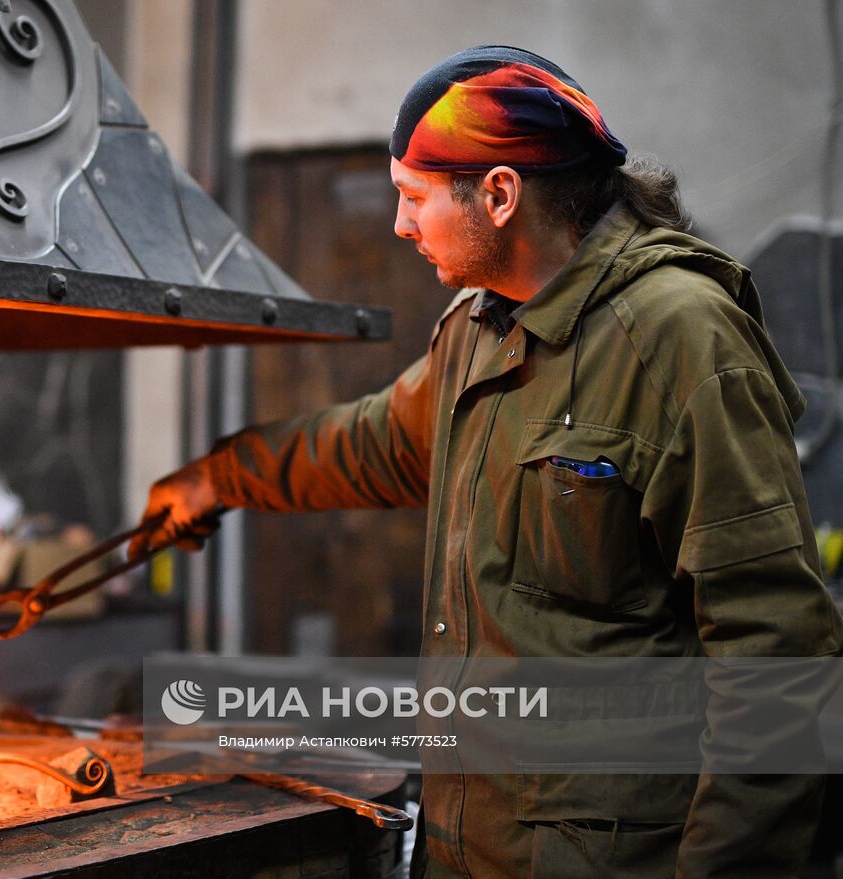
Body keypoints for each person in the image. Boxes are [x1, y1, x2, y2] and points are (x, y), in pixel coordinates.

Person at [132, 46, 843, 877]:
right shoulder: (478, 330)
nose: (399, 225)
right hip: (471, 848)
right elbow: (376, 441)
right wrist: (220, 475)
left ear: (500, 194)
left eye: (412, 197)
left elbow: (778, 657)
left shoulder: (681, 338)